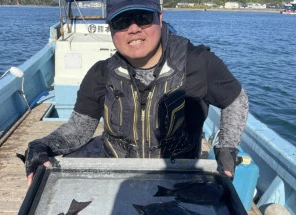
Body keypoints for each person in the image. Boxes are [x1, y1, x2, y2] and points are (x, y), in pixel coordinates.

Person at [25, 0, 249, 186]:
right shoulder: (100, 74)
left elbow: (235, 99)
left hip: (177, 177)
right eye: (122, 21)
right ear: (111, 29)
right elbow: (78, 130)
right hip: (118, 175)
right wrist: (42, 145)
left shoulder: (199, 62)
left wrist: (227, 148)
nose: (133, 29)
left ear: (159, 18)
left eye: (142, 17)